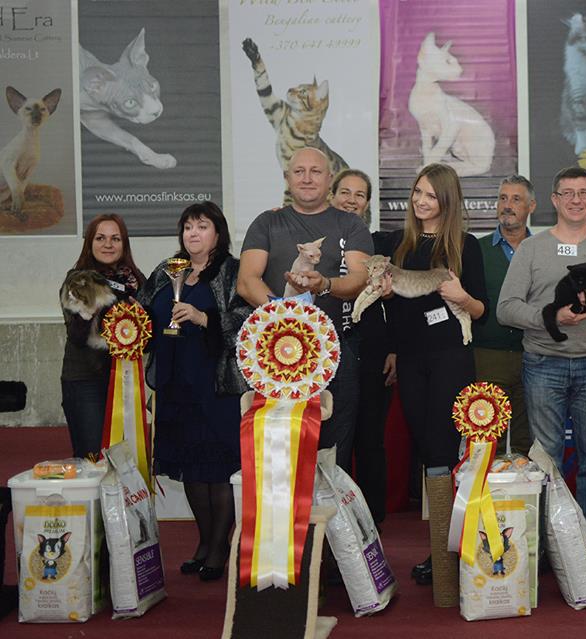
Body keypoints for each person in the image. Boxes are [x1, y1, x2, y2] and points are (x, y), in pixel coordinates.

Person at [498, 166, 586, 575]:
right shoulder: (531, 249)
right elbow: (507, 308)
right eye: (568, 193)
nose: (576, 200)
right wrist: (551, 318)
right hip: (543, 364)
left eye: (584, 193)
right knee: (546, 462)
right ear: (554, 200)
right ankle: (544, 549)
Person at [380, 163, 487, 585]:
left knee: (444, 449)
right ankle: (444, 546)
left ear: (447, 200)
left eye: (431, 195)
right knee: (427, 449)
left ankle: (451, 550)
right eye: (417, 192)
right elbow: (396, 312)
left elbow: (481, 311)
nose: (421, 201)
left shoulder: (465, 246)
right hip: (410, 360)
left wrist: (462, 296)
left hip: (450, 358)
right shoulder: (399, 244)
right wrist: (386, 297)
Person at [237, 147, 374, 472]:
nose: (307, 178)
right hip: (275, 353)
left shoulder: (350, 225)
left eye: (316, 171)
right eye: (299, 171)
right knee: (278, 455)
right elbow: (246, 281)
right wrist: (288, 318)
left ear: (329, 179)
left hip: (335, 352)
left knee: (334, 456)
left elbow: (359, 279)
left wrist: (324, 284)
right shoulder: (267, 222)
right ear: (287, 178)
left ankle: (330, 507)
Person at [139, 201, 248, 581]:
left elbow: (248, 319)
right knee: (190, 468)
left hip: (216, 384)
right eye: (187, 227)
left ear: (218, 233)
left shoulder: (234, 271)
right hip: (175, 383)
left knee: (218, 468)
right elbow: (143, 312)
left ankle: (219, 547)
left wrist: (204, 318)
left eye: (202, 227)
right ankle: (204, 541)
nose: (193, 234)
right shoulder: (166, 270)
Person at [329, 168, 396, 524]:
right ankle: (333, 515)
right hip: (323, 353)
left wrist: (395, 350)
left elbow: (399, 305)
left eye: (359, 195)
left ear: (368, 204)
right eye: (345, 192)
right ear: (331, 196)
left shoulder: (381, 246)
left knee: (369, 437)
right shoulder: (314, 244)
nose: (351, 200)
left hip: (371, 352)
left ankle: (369, 521)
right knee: (332, 439)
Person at [60, 214, 145, 459]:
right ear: (90, 243)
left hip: (126, 381)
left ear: (124, 244)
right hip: (85, 380)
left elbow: (148, 337)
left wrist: (144, 317)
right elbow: (77, 336)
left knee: (129, 461)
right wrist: (93, 307)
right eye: (100, 238)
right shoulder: (77, 280)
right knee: (93, 460)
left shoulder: (136, 281)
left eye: (115, 238)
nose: (108, 244)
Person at [473, 175, 535, 455]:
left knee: (528, 442)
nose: (507, 205)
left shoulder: (543, 248)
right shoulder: (476, 249)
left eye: (516, 199)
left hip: (534, 356)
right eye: (502, 198)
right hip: (487, 356)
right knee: (487, 439)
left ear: (531, 206)